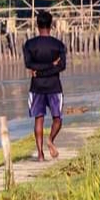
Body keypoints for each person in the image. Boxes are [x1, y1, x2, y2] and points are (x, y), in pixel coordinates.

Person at [23, 10, 67, 161]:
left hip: (36, 87)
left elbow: (29, 64)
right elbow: (61, 66)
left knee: (38, 119)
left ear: (37, 25)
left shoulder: (29, 45)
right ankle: (50, 140)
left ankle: (40, 154)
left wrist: (39, 72)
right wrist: (51, 65)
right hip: (54, 85)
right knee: (58, 119)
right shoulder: (58, 45)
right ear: (51, 25)